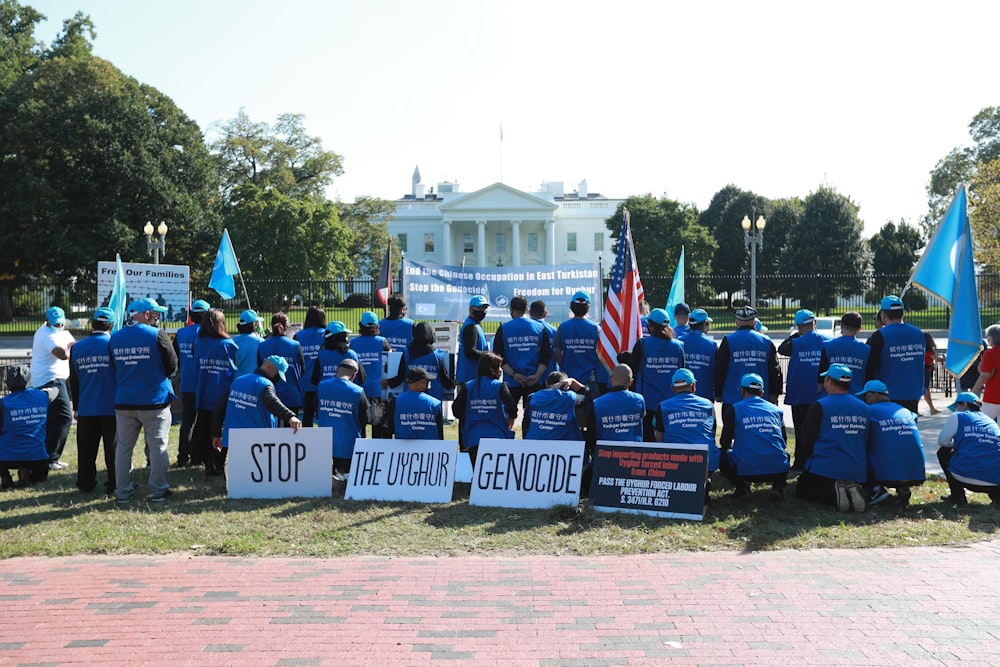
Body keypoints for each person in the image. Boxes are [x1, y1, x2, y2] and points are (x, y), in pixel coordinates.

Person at [110, 297, 178, 504]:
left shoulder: (115, 337)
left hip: (124, 401)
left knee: (123, 447)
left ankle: (122, 491)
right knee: (158, 446)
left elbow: (115, 367)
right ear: (147, 314)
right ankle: (159, 490)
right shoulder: (158, 334)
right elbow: (172, 364)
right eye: (155, 313)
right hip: (154, 401)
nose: (158, 317)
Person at [794, 363, 869, 512]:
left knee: (802, 489)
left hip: (826, 466)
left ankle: (834, 494)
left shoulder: (820, 405)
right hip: (856, 468)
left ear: (829, 381)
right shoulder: (865, 408)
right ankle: (850, 487)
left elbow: (807, 439)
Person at [211, 355, 302, 469]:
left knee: (240, 472)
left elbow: (219, 409)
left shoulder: (237, 381)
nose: (277, 379)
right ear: (270, 367)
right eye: (277, 375)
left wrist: (216, 434)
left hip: (236, 441)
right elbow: (272, 402)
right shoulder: (264, 384)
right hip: (257, 442)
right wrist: (290, 417)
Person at [68, 307, 117, 494]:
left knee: (86, 450)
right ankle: (114, 482)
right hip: (112, 406)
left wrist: (77, 407)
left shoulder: (77, 348)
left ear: (93, 323)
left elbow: (74, 380)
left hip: (87, 406)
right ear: (111, 325)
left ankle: (85, 482)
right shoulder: (114, 345)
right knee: (113, 450)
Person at [719, 373, 790, 500]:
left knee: (721, 454)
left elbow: (724, 442)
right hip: (777, 470)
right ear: (762, 393)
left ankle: (741, 486)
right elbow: (783, 440)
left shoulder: (734, 409)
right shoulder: (776, 410)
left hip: (745, 471)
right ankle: (777, 487)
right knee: (785, 455)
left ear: (742, 391)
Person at [653, 368, 719, 504]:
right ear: (694, 386)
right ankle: (704, 481)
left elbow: (659, 438)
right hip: (706, 461)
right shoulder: (708, 404)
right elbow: (711, 433)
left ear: (672, 388)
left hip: (675, 462)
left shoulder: (663, 406)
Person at [857, 380, 925, 507]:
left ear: (875, 395)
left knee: (858, 449)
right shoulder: (905, 411)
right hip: (916, 473)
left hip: (887, 474)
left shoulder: (869, 411)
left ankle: (875, 490)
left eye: (866, 396)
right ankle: (903, 487)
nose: (864, 400)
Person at [625, 307, 685, 441]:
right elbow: (682, 372)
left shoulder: (642, 344)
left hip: (646, 401)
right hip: (670, 401)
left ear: (651, 327)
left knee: (647, 438)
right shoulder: (679, 346)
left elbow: (632, 370)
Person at [193, 308, 238, 476]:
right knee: (221, 431)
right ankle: (219, 464)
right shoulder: (229, 345)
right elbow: (234, 371)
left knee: (204, 431)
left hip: (204, 394)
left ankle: (208, 465)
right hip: (222, 396)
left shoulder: (199, 343)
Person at [492, 295, 551, 423]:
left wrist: (514, 375)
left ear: (511, 310)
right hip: (535, 380)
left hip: (512, 381)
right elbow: (546, 356)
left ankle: (506, 441)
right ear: (527, 309)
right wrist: (536, 375)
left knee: (508, 416)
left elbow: (498, 357)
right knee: (534, 418)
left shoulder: (503, 329)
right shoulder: (540, 328)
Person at [30, 305, 75, 470]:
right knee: (65, 416)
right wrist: (70, 348)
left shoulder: (60, 332)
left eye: (61, 324)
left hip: (56, 380)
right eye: (56, 324)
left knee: (51, 420)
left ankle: (45, 457)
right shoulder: (47, 335)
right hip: (50, 381)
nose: (59, 326)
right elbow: (63, 354)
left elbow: (71, 343)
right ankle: (51, 458)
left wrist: (70, 346)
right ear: (47, 321)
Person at [778, 309, 824, 469]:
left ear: (797, 326)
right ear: (815, 322)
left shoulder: (795, 343)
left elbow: (781, 349)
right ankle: (816, 461)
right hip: (821, 394)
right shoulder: (827, 340)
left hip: (799, 393)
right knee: (820, 430)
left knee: (800, 429)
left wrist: (797, 334)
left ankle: (800, 462)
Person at [452, 351, 516, 467]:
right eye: (499, 367)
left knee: (478, 473)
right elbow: (512, 406)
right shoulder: (499, 386)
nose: (501, 370)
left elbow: (456, 409)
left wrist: (468, 417)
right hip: (497, 436)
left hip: (474, 438)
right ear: (493, 368)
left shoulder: (468, 386)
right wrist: (511, 418)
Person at [936, 391, 1000, 506]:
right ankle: (996, 498)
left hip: (964, 478)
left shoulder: (959, 416)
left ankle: (957, 495)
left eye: (957, 406)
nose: (956, 409)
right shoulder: (991, 421)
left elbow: (942, 441)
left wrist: (958, 445)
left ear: (964, 404)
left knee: (943, 452)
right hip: (995, 483)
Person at [714, 306, 782, 411]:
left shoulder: (728, 340)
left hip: (733, 398)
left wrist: (718, 393)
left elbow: (720, 369)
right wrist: (774, 393)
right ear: (754, 323)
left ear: (736, 322)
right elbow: (774, 369)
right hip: (761, 399)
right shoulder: (766, 341)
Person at [0, 366, 57, 489]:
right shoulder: (43, 396)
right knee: (37, 478)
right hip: (39, 459)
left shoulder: (3, 403)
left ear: (8, 384)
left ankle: (5, 477)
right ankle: (27, 474)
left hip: (8, 458)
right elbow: (55, 390)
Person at [866, 295, 924, 413]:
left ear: (883, 315)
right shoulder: (918, 333)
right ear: (903, 313)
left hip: (887, 394)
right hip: (913, 392)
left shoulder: (880, 335)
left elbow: (870, 367)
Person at [317, 358, 370, 480]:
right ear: (354, 374)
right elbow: (366, 419)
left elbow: (317, 411)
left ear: (337, 370)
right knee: (347, 476)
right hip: (348, 448)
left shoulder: (322, 386)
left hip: (324, 446)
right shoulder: (358, 391)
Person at [173, 299, 209, 467]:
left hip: (187, 384)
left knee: (187, 422)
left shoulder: (180, 334)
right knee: (203, 422)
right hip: (205, 385)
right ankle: (198, 457)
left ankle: (182, 457)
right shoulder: (209, 334)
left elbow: (176, 359)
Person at [554, 291, 608, 396]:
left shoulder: (563, 327)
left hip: (568, 378)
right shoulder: (595, 328)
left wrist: (564, 366)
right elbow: (602, 354)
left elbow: (557, 353)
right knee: (590, 409)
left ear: (571, 307)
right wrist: (595, 365)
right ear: (588, 307)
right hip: (590, 377)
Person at [257, 312, 305, 427]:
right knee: (291, 431)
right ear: (287, 327)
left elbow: (260, 370)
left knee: (271, 430)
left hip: (268, 395)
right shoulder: (295, 345)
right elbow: (301, 370)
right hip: (291, 394)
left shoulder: (262, 345)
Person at [350, 311, 392, 437]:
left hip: (359, 391)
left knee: (360, 426)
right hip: (378, 391)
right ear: (377, 326)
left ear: (361, 325)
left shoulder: (353, 343)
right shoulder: (383, 342)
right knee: (377, 428)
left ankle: (360, 453)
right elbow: (391, 363)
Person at [523, 371, 592, 441]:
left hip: (533, 445)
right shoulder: (569, 397)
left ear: (546, 383)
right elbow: (589, 396)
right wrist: (573, 381)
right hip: (564, 447)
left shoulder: (532, 397)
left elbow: (526, 424)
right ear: (565, 385)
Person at [818, 311, 870, 396]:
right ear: (860, 328)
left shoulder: (828, 346)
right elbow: (869, 376)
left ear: (841, 326)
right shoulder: (866, 349)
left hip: (831, 397)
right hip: (857, 397)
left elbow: (821, 375)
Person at [387, 367, 444, 440]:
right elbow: (439, 431)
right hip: (430, 449)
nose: (428, 385)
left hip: (403, 448)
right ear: (419, 384)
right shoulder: (435, 403)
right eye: (427, 382)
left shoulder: (395, 401)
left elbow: (391, 428)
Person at [592, 364, 645, 442]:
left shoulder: (596, 403)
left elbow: (591, 435)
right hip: (634, 452)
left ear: (611, 379)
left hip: (604, 452)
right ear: (631, 382)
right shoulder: (639, 400)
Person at [294, 305, 327, 427]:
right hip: (322, 381)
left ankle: (307, 442)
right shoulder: (326, 334)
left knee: (307, 416)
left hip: (304, 382)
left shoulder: (299, 336)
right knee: (323, 416)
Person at [678, 309, 716, 402]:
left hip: (681, 392)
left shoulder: (679, 342)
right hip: (705, 394)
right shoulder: (712, 345)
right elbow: (717, 371)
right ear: (705, 323)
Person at [312, 321, 365, 387]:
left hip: (326, 394)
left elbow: (314, 380)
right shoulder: (351, 354)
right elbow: (362, 379)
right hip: (347, 393)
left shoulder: (321, 355)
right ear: (342, 337)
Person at [456, 295, 490, 384]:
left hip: (472, 377)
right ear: (471, 309)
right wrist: (490, 354)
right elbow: (470, 352)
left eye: (485, 308)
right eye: (479, 307)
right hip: (470, 378)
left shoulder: (474, 325)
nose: (483, 310)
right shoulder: (471, 327)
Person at [972, 324, 1000, 420]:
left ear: (990, 339)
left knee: (984, 424)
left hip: (993, 397)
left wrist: (973, 391)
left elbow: (985, 375)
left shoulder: (990, 354)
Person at [231, 310, 264, 378]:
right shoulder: (260, 341)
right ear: (254, 324)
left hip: (236, 381)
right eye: (257, 322)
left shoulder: (233, 340)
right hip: (253, 381)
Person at [530, 300, 559, 373]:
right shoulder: (554, 330)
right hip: (550, 373)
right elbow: (558, 352)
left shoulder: (527, 329)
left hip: (531, 373)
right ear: (545, 314)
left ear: (530, 312)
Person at [922, 332, 943, 416]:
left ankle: (931, 408)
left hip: (922, 370)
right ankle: (932, 408)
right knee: (925, 389)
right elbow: (937, 359)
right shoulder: (928, 350)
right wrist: (945, 359)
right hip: (926, 371)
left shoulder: (922, 349)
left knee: (922, 389)